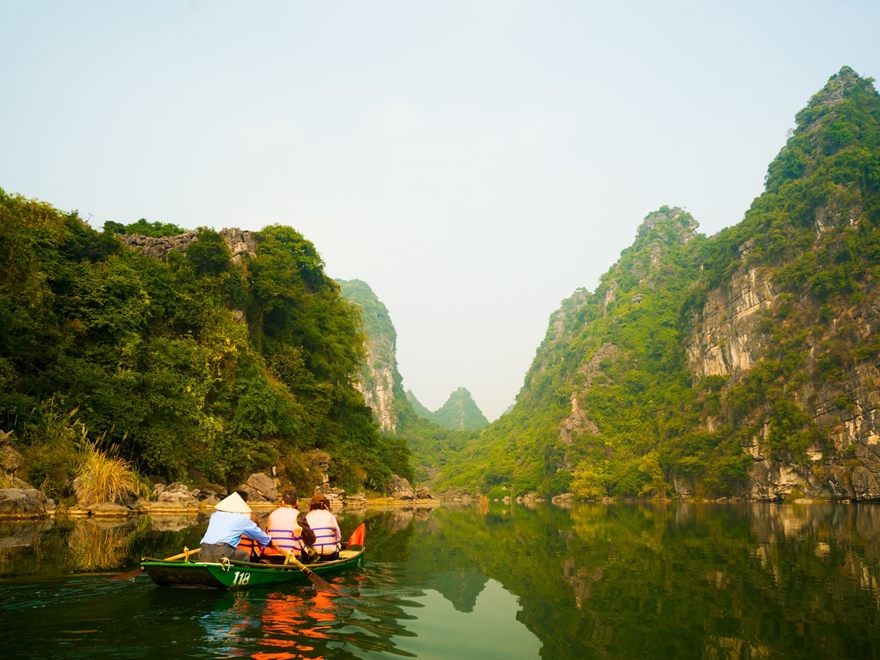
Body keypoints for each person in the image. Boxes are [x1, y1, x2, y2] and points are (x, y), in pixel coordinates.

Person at [200, 491, 272, 563]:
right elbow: (261, 537)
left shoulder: (215, 515)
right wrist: (269, 542)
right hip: (223, 551)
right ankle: (244, 570)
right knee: (244, 555)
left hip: (203, 551)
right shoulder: (241, 518)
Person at [261, 490, 317, 564]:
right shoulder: (298, 515)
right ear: (297, 502)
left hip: (272, 556)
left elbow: (267, 533)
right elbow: (311, 539)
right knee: (309, 550)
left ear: (282, 502)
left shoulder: (272, 515)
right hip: (292, 557)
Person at [305, 492, 342, 562]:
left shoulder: (307, 517)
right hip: (330, 554)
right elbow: (338, 536)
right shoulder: (330, 516)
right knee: (339, 543)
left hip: (314, 555)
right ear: (326, 505)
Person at [235, 490, 264, 561]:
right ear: (246, 502)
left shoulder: (228, 517)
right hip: (249, 553)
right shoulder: (252, 518)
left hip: (232, 552)